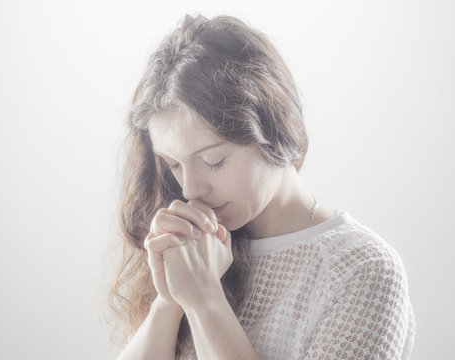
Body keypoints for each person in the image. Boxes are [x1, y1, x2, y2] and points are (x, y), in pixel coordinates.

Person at [108, 14, 415, 360]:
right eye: (174, 165)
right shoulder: (200, 249)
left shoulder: (362, 270)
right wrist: (169, 301)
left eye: (214, 160)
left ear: (271, 128)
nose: (190, 189)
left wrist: (205, 299)